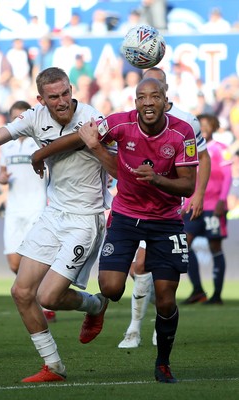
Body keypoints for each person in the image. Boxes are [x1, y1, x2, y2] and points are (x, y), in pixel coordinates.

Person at [31, 77, 199, 383]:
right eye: (141, 98)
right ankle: (100, 306)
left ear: (165, 100)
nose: (148, 103)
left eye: (155, 97)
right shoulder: (120, 124)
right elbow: (84, 136)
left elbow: (188, 184)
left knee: (165, 299)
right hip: (125, 216)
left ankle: (163, 362)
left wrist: (157, 179)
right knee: (110, 287)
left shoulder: (182, 132)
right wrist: (42, 153)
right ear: (135, 102)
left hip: (166, 220)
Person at [0, 67, 114, 383]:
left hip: (85, 220)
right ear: (40, 99)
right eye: (53, 97)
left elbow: (77, 140)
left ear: (71, 90)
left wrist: (39, 153)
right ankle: (54, 366)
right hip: (53, 215)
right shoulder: (34, 117)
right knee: (21, 291)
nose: (62, 102)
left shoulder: (91, 116)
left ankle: (95, 305)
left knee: (48, 297)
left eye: (65, 94)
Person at [118, 67, 211, 349]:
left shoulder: (186, 121)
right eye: (144, 92)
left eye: (156, 90)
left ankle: (147, 326)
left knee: (155, 270)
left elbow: (202, 158)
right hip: (133, 206)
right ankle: (135, 326)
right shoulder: (132, 120)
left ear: (165, 90)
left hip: (165, 209)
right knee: (136, 268)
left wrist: (198, 194)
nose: (150, 99)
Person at [0, 101, 55, 322]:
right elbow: (1, 173)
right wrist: (1, 178)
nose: (19, 121)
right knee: (14, 263)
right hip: (13, 209)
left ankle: (46, 301)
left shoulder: (39, 141)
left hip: (36, 207)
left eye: (23, 117)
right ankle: (39, 291)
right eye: (15, 117)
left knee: (36, 258)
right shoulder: (7, 146)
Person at [182, 114, 232, 305]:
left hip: (213, 208)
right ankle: (197, 290)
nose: (203, 127)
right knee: (184, 244)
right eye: (200, 125)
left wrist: (222, 200)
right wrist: (185, 205)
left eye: (206, 124)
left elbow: (227, 176)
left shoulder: (221, 149)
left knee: (215, 247)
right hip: (194, 206)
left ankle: (217, 294)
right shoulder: (190, 150)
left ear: (214, 126)